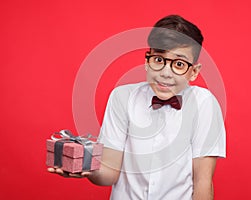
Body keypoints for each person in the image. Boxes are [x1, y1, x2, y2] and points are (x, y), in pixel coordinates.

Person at [48, 14, 226, 200]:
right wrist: (86, 167)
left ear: (194, 72)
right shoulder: (121, 97)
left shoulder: (204, 103)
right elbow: (110, 173)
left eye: (179, 64)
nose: (165, 73)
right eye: (158, 59)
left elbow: (203, 182)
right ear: (147, 61)